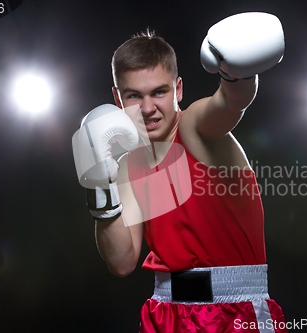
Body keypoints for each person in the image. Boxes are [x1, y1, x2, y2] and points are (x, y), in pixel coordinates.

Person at [75, 12, 287, 333]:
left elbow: (230, 103)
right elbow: (121, 262)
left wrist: (236, 74)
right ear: (118, 99)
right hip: (165, 314)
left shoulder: (193, 128)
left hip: (233, 313)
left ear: (178, 90)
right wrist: (98, 184)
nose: (147, 109)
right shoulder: (127, 166)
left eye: (159, 92)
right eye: (134, 96)